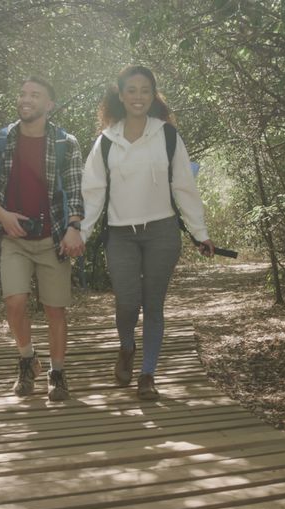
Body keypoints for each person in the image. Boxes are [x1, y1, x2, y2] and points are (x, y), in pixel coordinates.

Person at [79, 65, 214, 401]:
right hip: (120, 234)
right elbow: (92, 192)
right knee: (126, 303)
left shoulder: (168, 136)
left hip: (162, 232)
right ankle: (127, 347)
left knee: (153, 305)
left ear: (153, 95)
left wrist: (200, 233)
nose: (138, 96)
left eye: (145, 90)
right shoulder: (106, 142)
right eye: (131, 90)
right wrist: (79, 235)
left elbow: (185, 187)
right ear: (120, 95)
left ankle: (148, 375)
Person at [0, 76, 86, 401]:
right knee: (15, 303)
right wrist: (3, 216)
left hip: (52, 238)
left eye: (35, 95)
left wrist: (73, 227)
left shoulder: (67, 143)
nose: (26, 99)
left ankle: (58, 373)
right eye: (23, 94)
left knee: (55, 310)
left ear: (49, 105)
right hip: (13, 238)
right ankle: (26, 360)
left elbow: (76, 190)